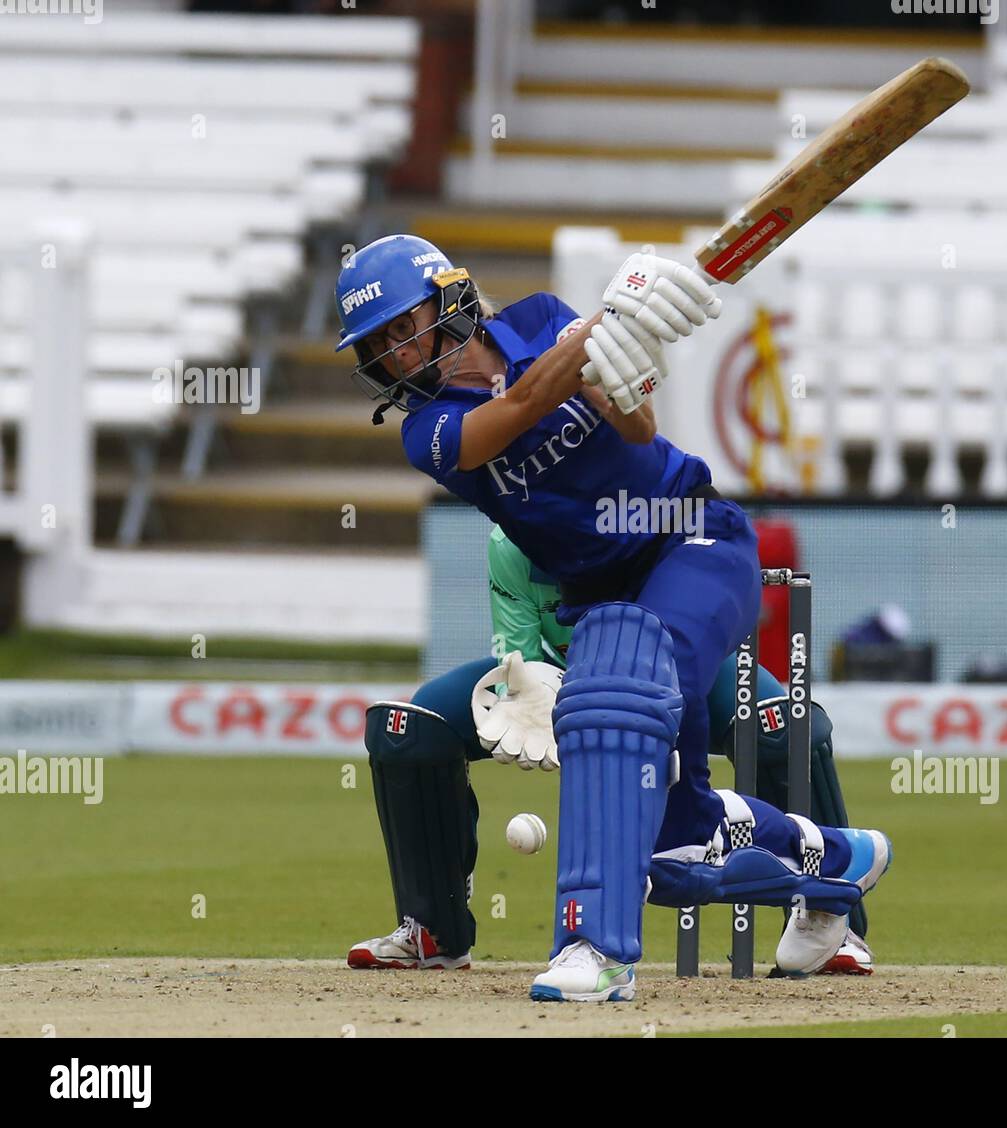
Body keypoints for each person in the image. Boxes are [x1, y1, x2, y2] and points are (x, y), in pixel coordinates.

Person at [335, 234, 890, 1000]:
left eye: (406, 327)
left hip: (691, 538)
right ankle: (832, 860)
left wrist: (616, 369)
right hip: (603, 595)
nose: (400, 354)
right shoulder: (427, 432)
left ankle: (595, 952)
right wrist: (605, 322)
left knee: (613, 706)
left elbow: (636, 431)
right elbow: (522, 406)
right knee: (678, 847)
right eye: (382, 345)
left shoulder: (539, 322)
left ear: (449, 300)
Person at [348, 523, 875, 974]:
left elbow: (676, 630)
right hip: (559, 672)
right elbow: (521, 655)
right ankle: (433, 932)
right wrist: (538, 704)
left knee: (784, 725)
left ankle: (833, 919)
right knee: (407, 728)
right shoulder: (509, 543)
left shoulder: (637, 526)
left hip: (675, 667)